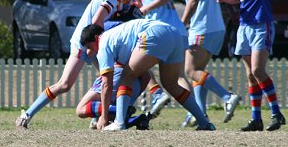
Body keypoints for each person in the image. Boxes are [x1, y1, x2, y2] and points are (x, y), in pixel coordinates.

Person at [15, 0, 141, 129]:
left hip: (96, 42)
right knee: (65, 84)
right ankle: (28, 114)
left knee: (109, 79)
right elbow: (96, 22)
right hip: (87, 42)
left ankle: (103, 116)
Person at [81, 19, 216, 131]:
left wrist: (104, 117)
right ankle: (204, 123)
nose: (88, 52)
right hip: (174, 33)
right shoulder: (117, 38)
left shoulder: (103, 42)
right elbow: (145, 77)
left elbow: (106, 84)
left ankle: (119, 122)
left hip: (154, 33)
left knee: (126, 76)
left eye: (89, 46)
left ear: (95, 38)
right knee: (171, 85)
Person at [206, 0, 286, 131]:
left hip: (261, 24)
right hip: (244, 26)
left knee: (258, 70)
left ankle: (276, 113)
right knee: (251, 75)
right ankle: (256, 118)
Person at [172, 0, 241, 127]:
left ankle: (228, 97)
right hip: (217, 27)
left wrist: (181, 24)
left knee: (190, 71)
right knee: (199, 72)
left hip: (202, 28)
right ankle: (201, 115)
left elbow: (193, 1)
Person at [125, 0, 191, 118]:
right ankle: (196, 111)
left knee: (134, 65)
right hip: (177, 32)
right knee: (177, 77)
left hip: (163, 33)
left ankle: (157, 95)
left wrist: (146, 8)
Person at [76, 65, 151, 130]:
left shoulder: (106, 48)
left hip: (114, 76)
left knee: (80, 109)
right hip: (135, 83)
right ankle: (135, 119)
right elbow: (147, 77)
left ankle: (122, 112)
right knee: (113, 121)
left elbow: (106, 80)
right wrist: (132, 97)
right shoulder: (135, 50)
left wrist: (103, 116)